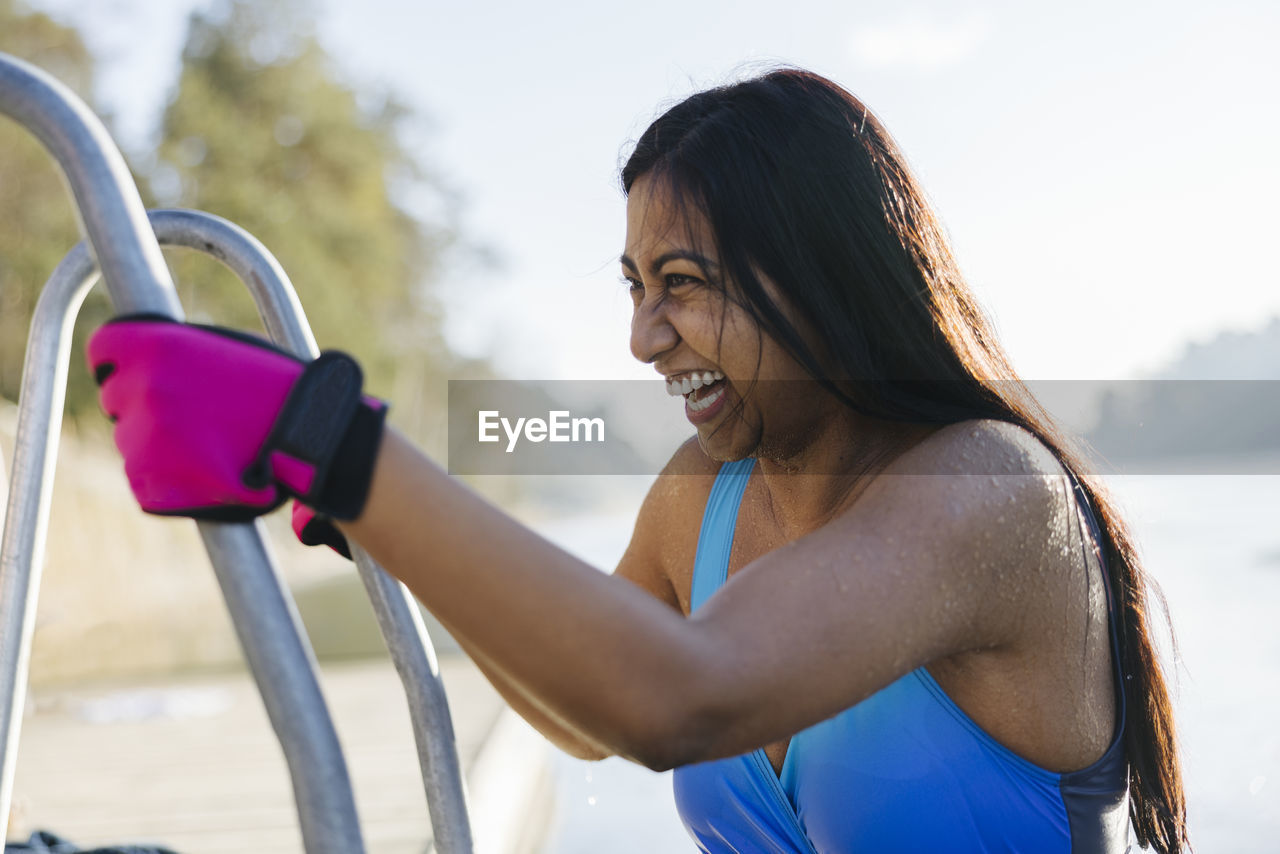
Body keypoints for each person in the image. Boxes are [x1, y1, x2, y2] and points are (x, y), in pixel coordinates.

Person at [86, 69, 1188, 853]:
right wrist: (373, 518)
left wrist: (333, 444)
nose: (642, 337)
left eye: (683, 282)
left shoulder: (987, 489)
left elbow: (677, 702)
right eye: (632, 285)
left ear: (820, 275)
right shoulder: (699, 494)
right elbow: (585, 713)